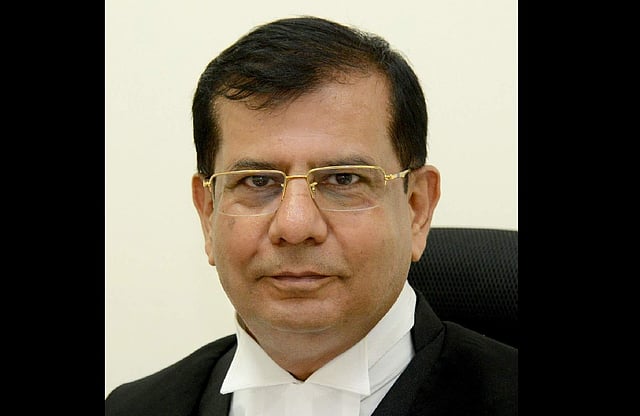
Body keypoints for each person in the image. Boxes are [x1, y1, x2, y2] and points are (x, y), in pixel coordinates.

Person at [105, 15, 517, 415]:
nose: (295, 225)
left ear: (417, 208)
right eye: (257, 181)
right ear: (208, 212)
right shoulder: (132, 408)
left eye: (343, 178)